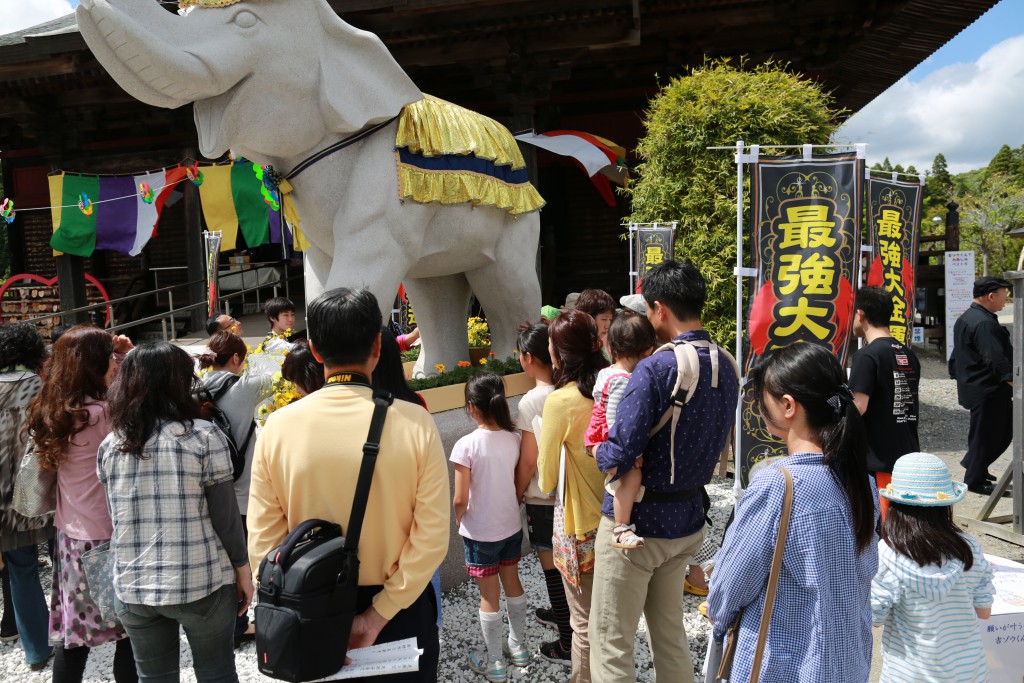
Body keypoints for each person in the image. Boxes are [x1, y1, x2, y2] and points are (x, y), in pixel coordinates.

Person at [247, 288, 449, 682]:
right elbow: (433, 536)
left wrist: (293, 599)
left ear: (315, 350)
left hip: (307, 608)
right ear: (378, 344)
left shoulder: (278, 428)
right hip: (398, 611)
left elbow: (263, 541)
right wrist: (377, 615)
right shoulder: (414, 422)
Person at [590, 261, 738, 683]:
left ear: (659, 309)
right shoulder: (726, 363)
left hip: (638, 525)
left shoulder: (657, 368)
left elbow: (619, 451)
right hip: (687, 521)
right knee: (669, 633)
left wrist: (599, 451)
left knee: (612, 640)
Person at [708, 342, 878, 682]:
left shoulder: (777, 482)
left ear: (788, 405)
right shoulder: (861, 479)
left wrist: (719, 617)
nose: (758, 406)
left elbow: (733, 583)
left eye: (762, 398)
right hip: (849, 659)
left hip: (787, 663)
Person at [98, 341, 253, 681]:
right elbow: (226, 519)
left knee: (154, 677)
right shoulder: (204, 437)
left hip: (134, 583)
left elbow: (116, 515)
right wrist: (243, 570)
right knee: (216, 671)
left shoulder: (112, 444)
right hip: (201, 582)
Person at [25, 325, 136, 683]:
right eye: (107, 357)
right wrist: (130, 356)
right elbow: (141, 391)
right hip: (109, 538)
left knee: (75, 641)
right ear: (93, 364)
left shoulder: (54, 410)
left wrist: (114, 354)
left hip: (70, 538)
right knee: (130, 634)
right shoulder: (105, 414)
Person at [872, 452, 994, 683]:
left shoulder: (889, 555)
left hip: (908, 675)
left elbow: (875, 617)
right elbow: (984, 611)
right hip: (968, 673)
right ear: (945, 504)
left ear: (895, 505)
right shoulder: (969, 549)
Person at [536, 309, 608, 683]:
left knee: (583, 626)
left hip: (580, 528)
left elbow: (546, 479)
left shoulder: (559, 402)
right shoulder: (615, 386)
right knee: (611, 624)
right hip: (622, 521)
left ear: (559, 355)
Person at [197, 331, 274, 647]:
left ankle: (220, 621)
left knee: (219, 558)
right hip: (240, 491)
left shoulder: (196, 388)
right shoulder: (248, 387)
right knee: (241, 558)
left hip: (205, 489)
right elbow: (278, 377)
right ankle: (239, 623)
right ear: (236, 359)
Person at [451, 373, 528, 682]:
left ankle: (495, 662)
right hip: (510, 526)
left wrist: (459, 518)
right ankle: (519, 646)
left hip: (480, 532)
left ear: (472, 407)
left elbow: (460, 498)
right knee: (513, 583)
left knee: (489, 595)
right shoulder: (513, 438)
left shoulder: (465, 445)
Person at [512, 322, 571, 666]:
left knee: (552, 569)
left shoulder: (532, 401)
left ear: (528, 359)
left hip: (542, 498)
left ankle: (566, 642)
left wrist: (516, 492)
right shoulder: (573, 389)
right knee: (569, 568)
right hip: (572, 494)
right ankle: (566, 619)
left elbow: (528, 461)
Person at [0, 322, 54, 671]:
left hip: (4, 499)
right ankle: (72, 629)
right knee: (65, 562)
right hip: (45, 489)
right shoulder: (42, 387)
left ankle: (36, 650)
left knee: (21, 571)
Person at [584, 311, 656, 549]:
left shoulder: (608, 372)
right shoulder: (623, 379)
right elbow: (616, 419)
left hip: (602, 435)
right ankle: (621, 527)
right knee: (631, 477)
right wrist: (632, 453)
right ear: (647, 349)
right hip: (611, 439)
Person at [850, 286, 921, 519]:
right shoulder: (907, 354)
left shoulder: (867, 355)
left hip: (879, 461)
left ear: (861, 315)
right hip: (907, 455)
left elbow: (857, 407)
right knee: (904, 524)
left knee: (883, 527)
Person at [950, 276, 1013, 495]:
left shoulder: (968, 317)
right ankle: (974, 479)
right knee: (990, 434)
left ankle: (976, 465)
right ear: (991, 296)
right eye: (1005, 293)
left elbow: (955, 355)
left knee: (994, 432)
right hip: (987, 388)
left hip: (975, 385)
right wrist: (1012, 379)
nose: (1007, 298)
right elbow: (995, 357)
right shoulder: (983, 322)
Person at [573, 290, 616, 359]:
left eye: (610, 319)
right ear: (588, 317)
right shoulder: (572, 346)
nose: (608, 326)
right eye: (604, 319)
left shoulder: (602, 345)